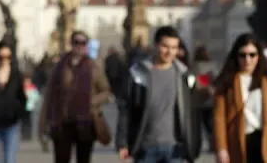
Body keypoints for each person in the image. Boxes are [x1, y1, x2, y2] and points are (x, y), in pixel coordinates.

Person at [115, 26, 202, 163]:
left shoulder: (184, 76)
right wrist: (122, 143)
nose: (169, 52)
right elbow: (126, 109)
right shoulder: (138, 74)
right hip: (145, 148)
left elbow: (192, 114)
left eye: (174, 48)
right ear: (155, 45)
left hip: (176, 149)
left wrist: (194, 146)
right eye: (165, 46)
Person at [213, 33, 267, 163]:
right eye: (242, 55)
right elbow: (219, 118)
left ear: (259, 56)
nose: (247, 60)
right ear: (236, 56)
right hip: (238, 143)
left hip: (266, 142)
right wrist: (221, 148)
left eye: (252, 55)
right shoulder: (226, 82)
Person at [40, 31, 111, 163]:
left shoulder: (93, 67)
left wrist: (92, 101)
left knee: (83, 159)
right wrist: (43, 125)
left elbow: (106, 91)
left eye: (83, 43)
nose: (79, 46)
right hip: (62, 121)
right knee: (61, 159)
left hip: (86, 122)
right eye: (76, 42)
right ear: (71, 44)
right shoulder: (59, 67)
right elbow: (49, 95)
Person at [192, 45, 217, 152]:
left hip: (197, 101)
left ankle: (196, 145)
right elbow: (216, 80)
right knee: (210, 125)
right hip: (210, 100)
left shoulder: (193, 67)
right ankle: (212, 144)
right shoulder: (212, 66)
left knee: (197, 125)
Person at [22, 74, 40, 141]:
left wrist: (30, 98)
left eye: (27, 81)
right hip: (23, 108)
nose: (26, 82)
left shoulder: (32, 88)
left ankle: (29, 134)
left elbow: (36, 97)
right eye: (25, 81)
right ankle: (24, 134)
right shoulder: (22, 88)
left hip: (30, 107)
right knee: (24, 121)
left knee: (29, 121)